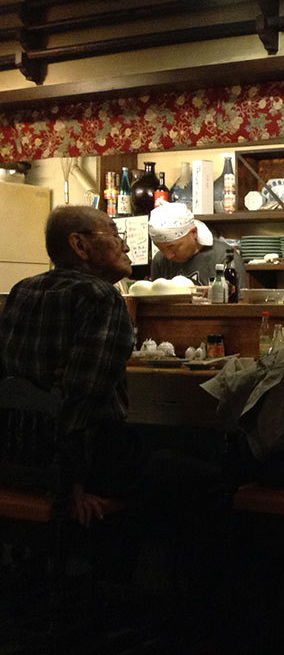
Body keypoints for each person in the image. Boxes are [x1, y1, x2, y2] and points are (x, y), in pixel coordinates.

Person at [0, 206, 227, 603]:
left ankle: (114, 579)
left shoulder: (22, 291)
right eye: (113, 233)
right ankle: (188, 608)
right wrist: (74, 485)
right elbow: (82, 400)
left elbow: (24, 387)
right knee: (206, 475)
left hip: (22, 459)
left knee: (153, 455)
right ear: (80, 245)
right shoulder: (102, 299)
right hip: (84, 464)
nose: (126, 245)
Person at [148, 201, 246, 287]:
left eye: (172, 247)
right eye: (161, 249)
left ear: (194, 232)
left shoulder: (225, 258)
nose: (168, 256)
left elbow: (238, 301)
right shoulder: (160, 261)